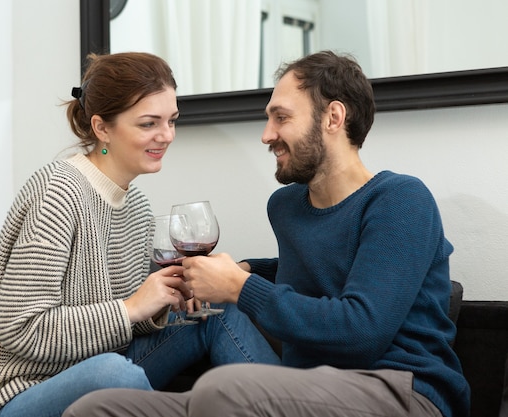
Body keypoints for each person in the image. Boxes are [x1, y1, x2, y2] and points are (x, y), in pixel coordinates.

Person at [61, 50, 470, 417]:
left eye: (281, 117)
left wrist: (242, 287)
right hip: (301, 389)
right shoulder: (288, 206)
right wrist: (245, 269)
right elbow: (318, 264)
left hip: (399, 392)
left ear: (333, 118)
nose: (267, 134)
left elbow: (361, 330)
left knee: (223, 390)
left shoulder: (399, 200)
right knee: (98, 407)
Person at [0, 52, 280, 417]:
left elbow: (123, 324)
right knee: (113, 372)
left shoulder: (136, 205)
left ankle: (296, 408)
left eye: (172, 120)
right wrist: (130, 307)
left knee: (217, 311)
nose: (167, 135)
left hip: (95, 367)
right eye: (148, 123)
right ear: (102, 127)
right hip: (16, 396)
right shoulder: (57, 193)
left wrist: (162, 300)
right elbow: (22, 330)